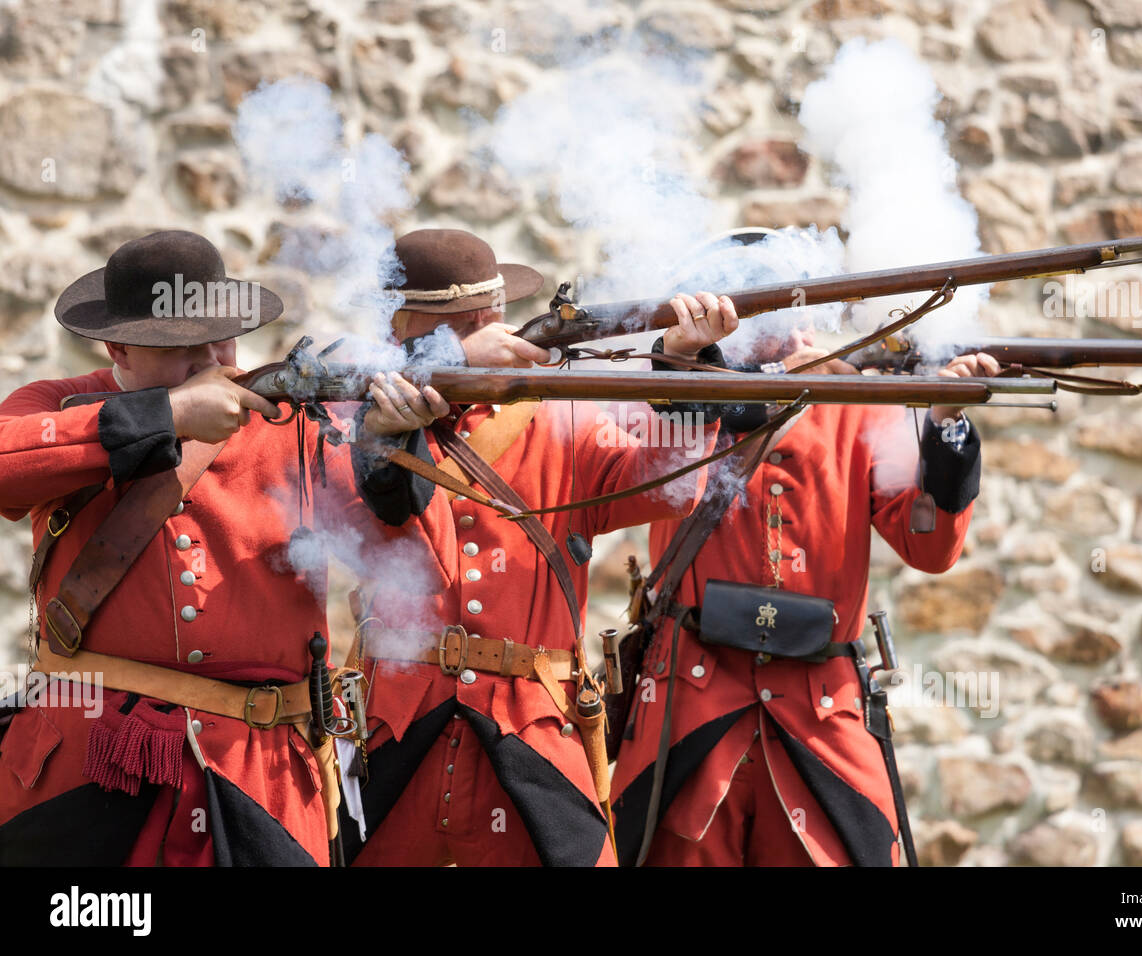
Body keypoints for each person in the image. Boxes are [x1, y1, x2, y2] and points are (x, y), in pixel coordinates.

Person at [0, 230, 447, 865]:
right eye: (184, 345)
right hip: (90, 771)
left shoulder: (292, 422)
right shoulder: (57, 405)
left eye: (222, 337)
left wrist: (381, 446)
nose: (214, 358)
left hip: (260, 775)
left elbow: (405, 557)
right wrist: (166, 417)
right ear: (117, 345)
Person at [342, 228, 737, 866]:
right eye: (452, 326)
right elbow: (362, 497)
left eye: (482, 320)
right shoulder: (361, 411)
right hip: (398, 723)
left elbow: (668, 487)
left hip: (530, 723)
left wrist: (681, 362)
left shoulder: (555, 416)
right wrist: (449, 362)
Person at [609, 230, 1000, 866]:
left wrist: (943, 425)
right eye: (777, 316)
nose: (801, 332)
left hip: (824, 707)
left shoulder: (858, 403)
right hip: (694, 699)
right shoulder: (683, 401)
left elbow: (927, 545)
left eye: (801, 312)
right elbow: (668, 458)